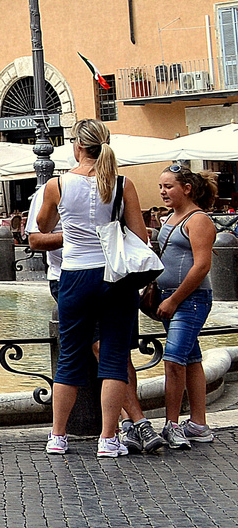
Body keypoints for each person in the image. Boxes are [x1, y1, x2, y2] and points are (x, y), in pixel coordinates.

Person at [36, 118, 163, 457]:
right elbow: (140, 235)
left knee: (70, 358)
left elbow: (42, 226)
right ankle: (108, 440)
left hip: (75, 276)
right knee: (113, 357)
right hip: (115, 278)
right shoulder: (123, 184)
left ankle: (57, 436)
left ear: (77, 146)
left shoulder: (57, 185)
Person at [155, 165, 218, 448]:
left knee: (174, 360)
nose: (163, 192)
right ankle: (199, 424)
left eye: (169, 186)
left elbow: (202, 265)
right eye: (161, 187)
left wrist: (174, 299)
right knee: (191, 359)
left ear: (187, 188)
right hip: (172, 297)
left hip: (189, 300)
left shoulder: (199, 220)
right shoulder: (170, 218)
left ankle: (172, 424)